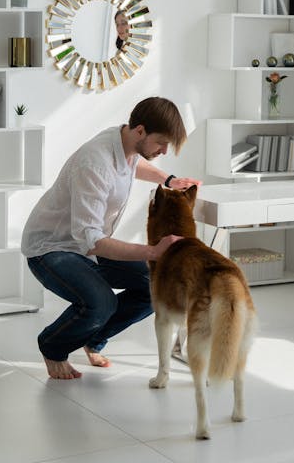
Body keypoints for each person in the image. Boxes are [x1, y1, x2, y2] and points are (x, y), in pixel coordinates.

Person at [21, 96, 200, 379]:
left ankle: (93, 338)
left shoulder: (124, 142)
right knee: (102, 303)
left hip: (86, 243)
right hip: (51, 247)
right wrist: (152, 252)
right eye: (161, 143)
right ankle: (52, 346)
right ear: (140, 130)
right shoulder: (95, 162)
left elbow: (132, 166)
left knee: (155, 287)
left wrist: (168, 180)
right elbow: (91, 241)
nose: (164, 150)